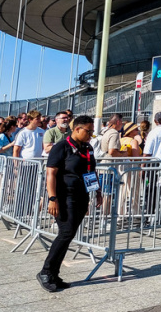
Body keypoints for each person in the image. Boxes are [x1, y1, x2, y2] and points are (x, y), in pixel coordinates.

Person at [37, 115, 102, 292]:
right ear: (77, 129)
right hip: (64, 197)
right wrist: (52, 198)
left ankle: (54, 275)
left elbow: (91, 170)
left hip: (82, 195)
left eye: (92, 131)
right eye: (88, 131)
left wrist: (97, 192)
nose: (90, 135)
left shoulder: (87, 147)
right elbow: (51, 174)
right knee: (65, 233)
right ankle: (46, 271)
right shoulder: (61, 147)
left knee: (69, 234)